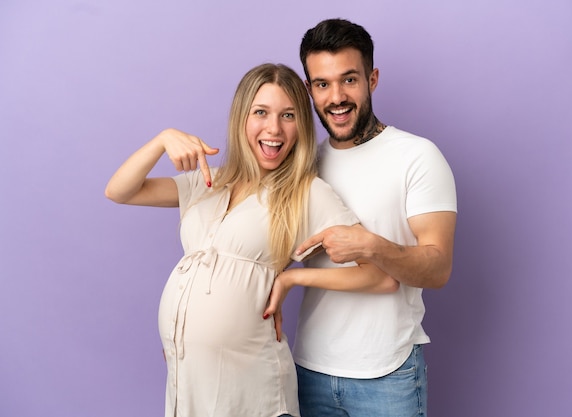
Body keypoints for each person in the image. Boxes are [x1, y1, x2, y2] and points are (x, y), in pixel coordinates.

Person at [105, 63, 396, 417]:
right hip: (189, 382)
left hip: (253, 391)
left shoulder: (306, 194)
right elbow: (120, 190)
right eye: (261, 112)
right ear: (242, 117)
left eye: (288, 115)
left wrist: (293, 277)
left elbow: (380, 275)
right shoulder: (208, 182)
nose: (274, 128)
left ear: (300, 126)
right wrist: (162, 139)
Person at [290, 19, 458, 416]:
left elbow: (438, 270)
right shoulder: (303, 164)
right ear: (309, 89)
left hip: (389, 373)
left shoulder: (417, 157)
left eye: (349, 80)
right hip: (307, 369)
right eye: (322, 84)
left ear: (372, 78)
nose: (336, 97)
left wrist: (369, 245)